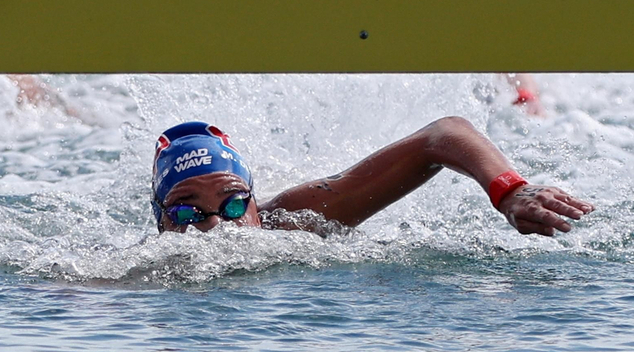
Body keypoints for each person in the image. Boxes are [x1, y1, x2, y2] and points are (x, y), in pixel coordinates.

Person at [150, 118, 594, 237]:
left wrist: (511, 190)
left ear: (253, 203)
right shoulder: (139, 268)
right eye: (187, 211)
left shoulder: (298, 220)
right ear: (161, 223)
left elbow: (442, 135)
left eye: (231, 204)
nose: (214, 226)